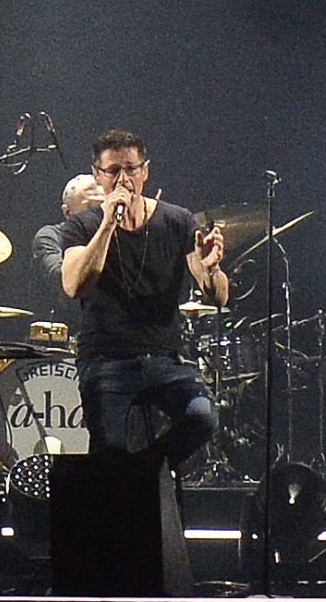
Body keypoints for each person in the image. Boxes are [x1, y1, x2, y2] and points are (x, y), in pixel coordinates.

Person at [58, 130, 226, 470]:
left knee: (202, 418)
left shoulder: (177, 220)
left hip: (166, 361)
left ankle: (142, 473)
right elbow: (74, 285)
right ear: (97, 175)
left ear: (145, 171)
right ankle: (130, 479)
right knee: (108, 453)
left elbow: (217, 295)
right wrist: (108, 224)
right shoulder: (82, 226)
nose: (123, 179)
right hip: (107, 362)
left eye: (131, 169)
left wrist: (212, 269)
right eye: (113, 171)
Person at [34, 174, 101, 300]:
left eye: (101, 208)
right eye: (90, 208)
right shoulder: (51, 236)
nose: (96, 215)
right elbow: (60, 277)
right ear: (68, 212)